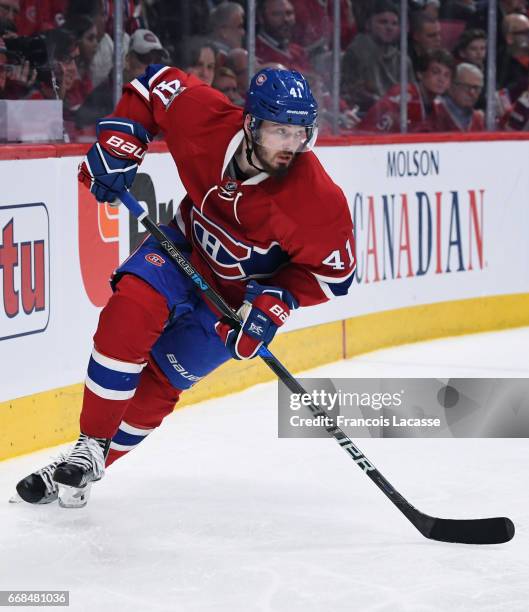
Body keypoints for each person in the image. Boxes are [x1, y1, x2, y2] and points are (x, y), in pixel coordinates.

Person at [14, 66, 356, 508]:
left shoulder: (318, 201)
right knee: (131, 309)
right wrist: (123, 142)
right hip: (184, 248)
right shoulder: (204, 117)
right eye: (280, 131)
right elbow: (153, 85)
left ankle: (81, 469)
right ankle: (90, 444)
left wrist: (277, 301)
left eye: (301, 133)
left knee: (162, 379)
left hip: (234, 305)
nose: (292, 146)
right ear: (250, 123)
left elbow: (334, 276)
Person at [341, 0, 415, 114]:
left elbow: (412, 96)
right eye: (383, 22)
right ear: (368, 24)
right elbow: (351, 92)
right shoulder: (358, 51)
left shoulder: (403, 60)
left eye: (394, 23)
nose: (389, 27)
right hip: (364, 114)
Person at [358, 48, 453, 133]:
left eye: (446, 75)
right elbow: (373, 132)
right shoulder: (403, 96)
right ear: (420, 74)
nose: (441, 79)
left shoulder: (439, 106)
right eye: (435, 72)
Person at [255, 0, 311, 72]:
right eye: (277, 14)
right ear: (261, 18)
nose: (286, 19)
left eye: (289, 13)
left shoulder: (298, 51)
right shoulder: (255, 52)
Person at [427, 62, 484, 131]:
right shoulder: (432, 111)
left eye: (476, 88)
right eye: (466, 86)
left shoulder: (479, 119)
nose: (472, 92)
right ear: (450, 85)